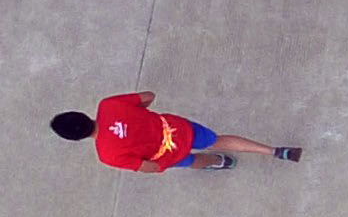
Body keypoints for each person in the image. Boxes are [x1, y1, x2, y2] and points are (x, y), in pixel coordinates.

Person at [51, 93, 298, 172]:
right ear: (81, 115)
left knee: (194, 161)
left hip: (169, 153)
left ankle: (219, 162)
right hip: (177, 128)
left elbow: (149, 167)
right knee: (217, 140)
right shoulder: (108, 105)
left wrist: (163, 162)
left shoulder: (107, 155)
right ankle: (274, 151)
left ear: (77, 138)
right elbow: (148, 96)